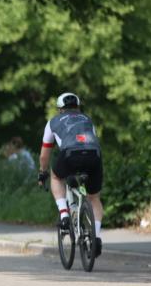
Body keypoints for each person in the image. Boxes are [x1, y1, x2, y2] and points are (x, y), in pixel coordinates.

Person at [38, 92, 104, 257]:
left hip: (69, 154)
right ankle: (95, 238)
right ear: (78, 107)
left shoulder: (53, 122)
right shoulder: (88, 119)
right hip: (93, 155)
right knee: (94, 198)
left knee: (56, 177)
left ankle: (64, 214)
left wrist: (42, 172)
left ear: (60, 109)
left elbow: (44, 156)